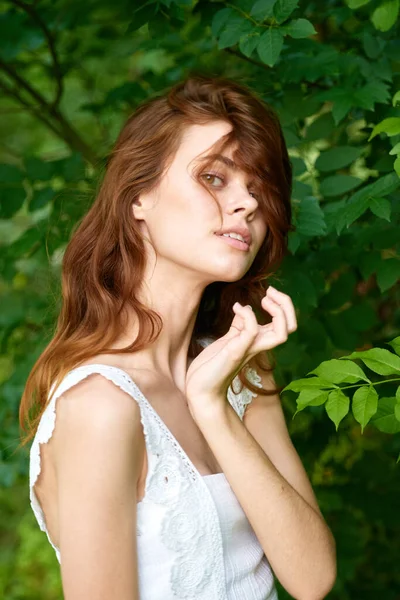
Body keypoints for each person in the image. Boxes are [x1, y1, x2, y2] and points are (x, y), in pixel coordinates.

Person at [19, 74, 336, 600]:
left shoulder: (238, 372)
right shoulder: (101, 404)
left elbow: (312, 578)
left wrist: (212, 408)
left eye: (259, 189)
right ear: (138, 196)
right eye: (215, 178)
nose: (248, 205)